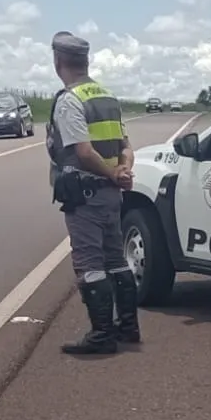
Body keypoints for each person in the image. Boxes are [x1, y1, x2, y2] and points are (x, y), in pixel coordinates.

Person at [47, 30, 140, 356]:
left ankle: (102, 335)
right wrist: (123, 171)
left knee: (89, 264)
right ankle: (128, 326)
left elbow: (83, 152)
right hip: (112, 193)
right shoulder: (106, 97)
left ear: (59, 62)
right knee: (116, 260)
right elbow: (126, 146)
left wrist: (112, 172)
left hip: (86, 194)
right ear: (85, 61)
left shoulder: (70, 100)